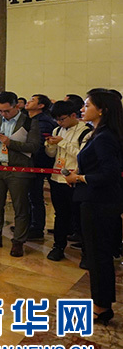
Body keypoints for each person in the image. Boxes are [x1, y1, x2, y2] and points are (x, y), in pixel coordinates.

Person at [64, 89, 123, 324]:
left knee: (98, 256)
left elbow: (110, 174)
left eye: (87, 105)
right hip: (97, 200)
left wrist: (79, 178)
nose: (82, 108)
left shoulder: (105, 137)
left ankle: (101, 307)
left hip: (99, 203)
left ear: (101, 110)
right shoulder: (101, 133)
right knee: (97, 255)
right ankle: (102, 303)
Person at [0, 91, 42, 257]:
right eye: (0, 110)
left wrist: (10, 143)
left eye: (7, 111)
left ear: (17, 106)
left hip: (18, 169)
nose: (3, 114)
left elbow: (34, 146)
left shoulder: (29, 122)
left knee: (20, 207)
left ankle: (18, 241)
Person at [44, 100, 91, 262]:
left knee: (80, 217)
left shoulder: (86, 132)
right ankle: (58, 247)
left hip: (75, 180)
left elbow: (82, 156)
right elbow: (52, 155)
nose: (59, 123)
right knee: (60, 215)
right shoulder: (57, 129)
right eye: (57, 120)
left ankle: (86, 252)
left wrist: (62, 143)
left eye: (62, 119)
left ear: (73, 115)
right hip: (57, 178)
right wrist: (50, 145)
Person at [24, 94, 57, 241]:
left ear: (41, 106)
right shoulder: (30, 119)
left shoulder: (43, 122)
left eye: (33, 100)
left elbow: (40, 145)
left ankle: (36, 227)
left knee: (35, 196)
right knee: (30, 196)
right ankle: (29, 224)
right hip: (31, 162)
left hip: (39, 164)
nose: (28, 102)